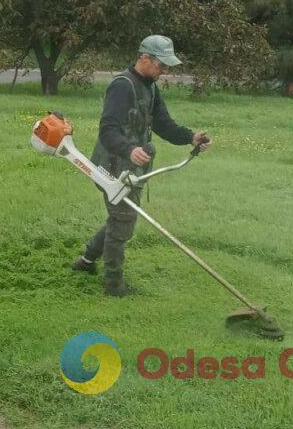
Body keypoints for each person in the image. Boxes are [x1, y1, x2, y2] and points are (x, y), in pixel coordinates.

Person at [72, 35, 211, 296]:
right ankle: (114, 286)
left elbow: (164, 125)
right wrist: (129, 149)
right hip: (112, 164)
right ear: (144, 58)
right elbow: (107, 130)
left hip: (133, 166)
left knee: (121, 217)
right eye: (161, 65)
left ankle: (86, 261)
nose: (164, 71)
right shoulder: (122, 86)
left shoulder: (151, 87)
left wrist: (190, 137)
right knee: (123, 218)